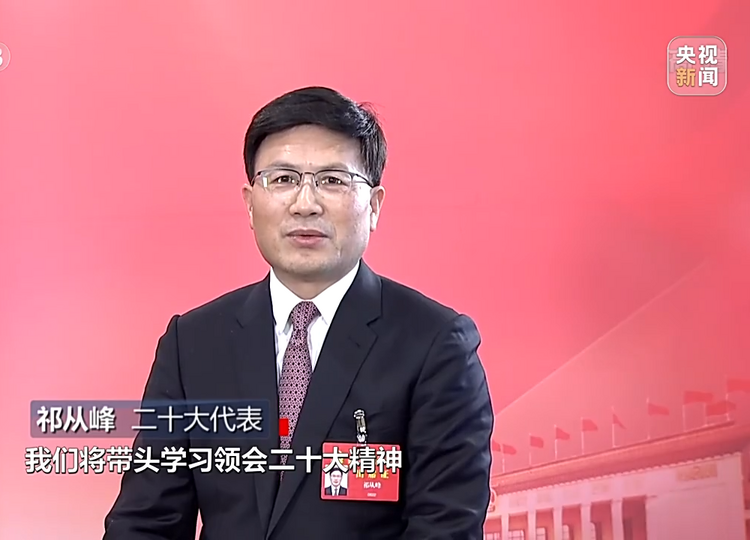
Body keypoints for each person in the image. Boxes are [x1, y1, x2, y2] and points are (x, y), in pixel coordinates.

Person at [104, 86, 494, 540]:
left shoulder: (435, 346)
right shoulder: (192, 343)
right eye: (283, 179)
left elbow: (445, 528)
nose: (305, 203)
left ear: (373, 206)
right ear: (251, 204)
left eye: (333, 180)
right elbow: (145, 522)